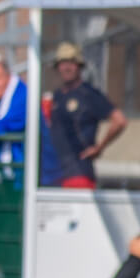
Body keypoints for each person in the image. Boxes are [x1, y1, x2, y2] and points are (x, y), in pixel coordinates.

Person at [47, 42, 126, 189]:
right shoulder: (57, 95)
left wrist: (99, 147)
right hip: (54, 173)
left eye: (71, 62)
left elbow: (119, 121)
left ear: (79, 66)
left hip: (79, 173)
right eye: (62, 63)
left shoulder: (88, 94)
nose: (66, 67)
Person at [0, 60, 28, 169]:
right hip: (2, 168)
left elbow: (5, 125)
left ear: (8, 76)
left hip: (23, 168)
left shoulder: (23, 96)